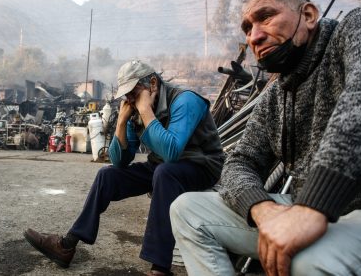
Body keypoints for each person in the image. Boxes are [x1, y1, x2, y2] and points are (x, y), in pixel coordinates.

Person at [170, 0, 361, 275]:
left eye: (265, 17)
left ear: (309, 15)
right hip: (303, 210)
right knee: (187, 210)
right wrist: (261, 209)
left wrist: (312, 207)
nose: (254, 36)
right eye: (248, 28)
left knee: (309, 261)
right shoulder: (277, 94)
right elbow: (239, 161)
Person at [24, 60, 225, 275]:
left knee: (164, 173)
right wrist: (121, 122)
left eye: (134, 92)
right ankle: (66, 245)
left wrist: (146, 110)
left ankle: (160, 268)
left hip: (201, 166)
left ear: (153, 83)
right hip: (162, 167)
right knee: (107, 175)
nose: (130, 98)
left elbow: (172, 151)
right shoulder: (135, 107)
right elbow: (120, 161)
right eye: (126, 94)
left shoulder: (185, 100)